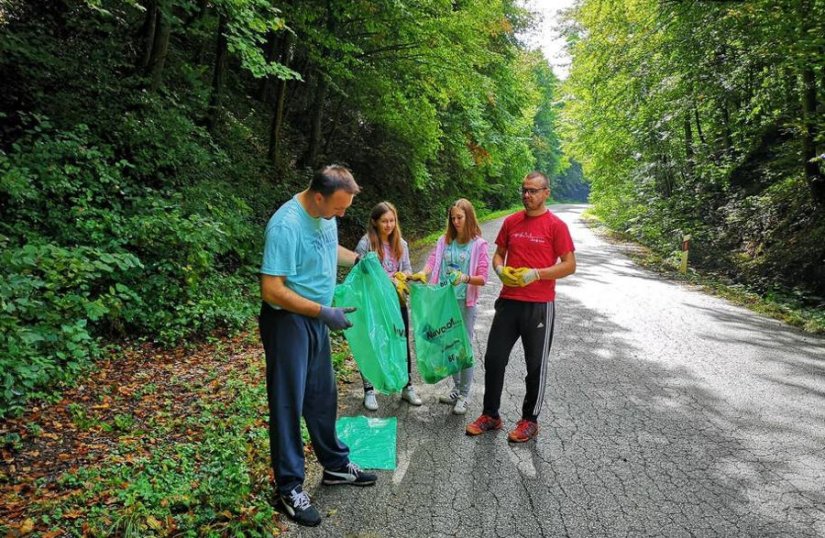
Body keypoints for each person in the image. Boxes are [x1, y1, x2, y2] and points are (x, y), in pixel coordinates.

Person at [259, 164, 377, 527]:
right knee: (287, 404)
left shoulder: (327, 216)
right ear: (319, 196)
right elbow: (272, 289)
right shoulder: (286, 224)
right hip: (288, 321)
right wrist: (323, 311)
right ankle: (289, 486)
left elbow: (329, 249)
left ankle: (336, 467)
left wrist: (359, 259)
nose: (343, 214)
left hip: (316, 319)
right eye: (339, 207)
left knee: (322, 396)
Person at [465, 171, 576, 443]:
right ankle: (491, 415)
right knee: (493, 359)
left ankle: (530, 420)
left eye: (534, 191)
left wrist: (537, 274)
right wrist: (500, 269)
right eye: (525, 190)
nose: (528, 195)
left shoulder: (556, 226)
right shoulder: (512, 221)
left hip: (539, 305)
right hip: (508, 302)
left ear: (546, 192)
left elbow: (569, 264)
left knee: (536, 365)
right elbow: (499, 255)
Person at [412, 198, 489, 415]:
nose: (455, 221)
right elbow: (432, 261)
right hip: (444, 301)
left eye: (460, 217)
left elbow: (483, 277)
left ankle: (464, 394)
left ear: (469, 217)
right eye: (452, 217)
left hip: (465, 302)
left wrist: (465, 278)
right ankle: (456, 389)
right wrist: (423, 273)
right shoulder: (444, 241)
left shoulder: (478, 245)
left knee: (464, 347)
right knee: (448, 345)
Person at [353, 201, 423, 411]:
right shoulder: (366, 244)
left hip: (397, 302)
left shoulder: (401, 244)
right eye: (384, 221)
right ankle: (369, 390)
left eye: (392, 220)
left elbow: (407, 268)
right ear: (374, 222)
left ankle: (407, 386)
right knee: (373, 343)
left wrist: (406, 277)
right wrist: (383, 281)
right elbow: (359, 275)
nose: (389, 225)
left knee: (400, 343)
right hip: (374, 305)